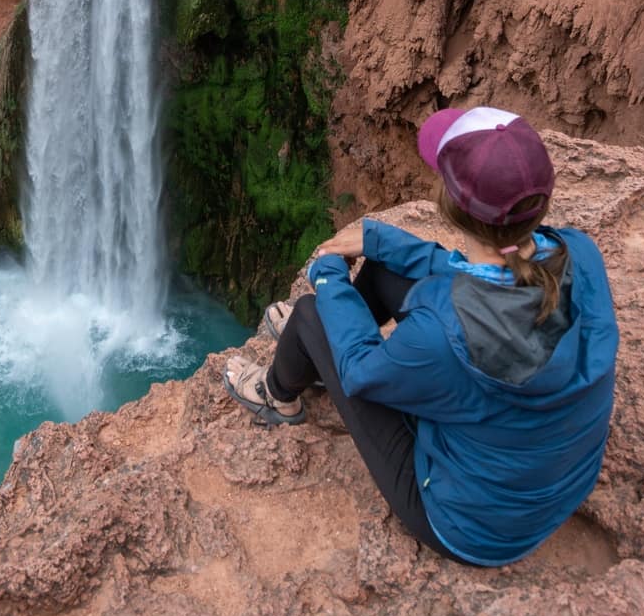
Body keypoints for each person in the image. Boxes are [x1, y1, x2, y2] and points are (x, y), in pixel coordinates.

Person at [223, 106, 618, 566]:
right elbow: (484, 271)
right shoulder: (578, 252)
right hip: (554, 477)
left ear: (450, 205)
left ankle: (277, 395)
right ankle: (310, 351)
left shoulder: (442, 336)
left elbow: (360, 373)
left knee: (312, 315)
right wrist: (381, 243)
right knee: (382, 271)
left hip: (474, 526)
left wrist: (329, 276)